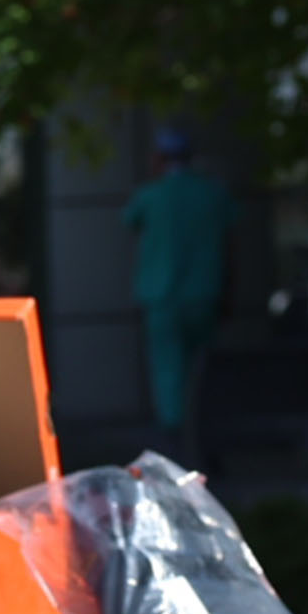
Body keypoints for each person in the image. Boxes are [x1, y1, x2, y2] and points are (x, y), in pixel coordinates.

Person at [123, 123, 234, 436]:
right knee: (204, 372)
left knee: (168, 370)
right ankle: (204, 435)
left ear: (159, 158)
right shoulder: (211, 191)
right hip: (205, 293)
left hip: (162, 297)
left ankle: (174, 438)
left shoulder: (150, 195)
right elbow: (230, 246)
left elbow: (132, 223)